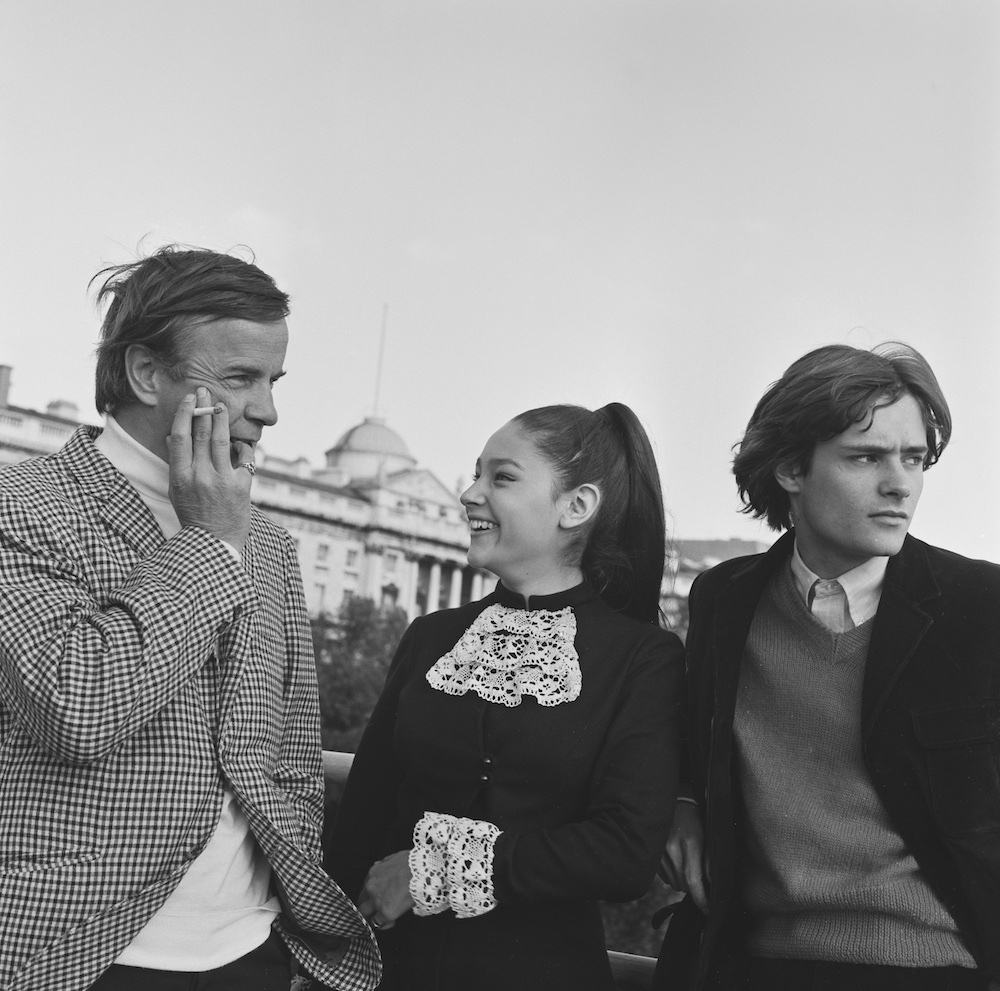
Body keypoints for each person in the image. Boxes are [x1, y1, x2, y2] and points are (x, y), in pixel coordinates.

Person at [0, 246, 379, 991]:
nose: (268, 409)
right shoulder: (22, 504)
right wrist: (209, 542)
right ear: (147, 373)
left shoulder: (269, 539)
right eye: (240, 377)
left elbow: (293, 749)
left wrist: (288, 912)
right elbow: (77, 706)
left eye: (272, 380)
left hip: (251, 951)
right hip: (76, 950)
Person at [656, 342, 1000, 991]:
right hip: (752, 961)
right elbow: (683, 738)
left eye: (914, 458)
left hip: (934, 966)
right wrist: (680, 801)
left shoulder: (982, 608)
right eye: (866, 457)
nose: (900, 483)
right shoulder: (725, 600)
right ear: (791, 467)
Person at [325, 403, 685, 990]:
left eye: (502, 477)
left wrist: (430, 870)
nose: (469, 493)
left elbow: (624, 852)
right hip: (390, 972)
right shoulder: (431, 636)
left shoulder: (643, 659)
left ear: (577, 506)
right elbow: (362, 817)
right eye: (476, 473)